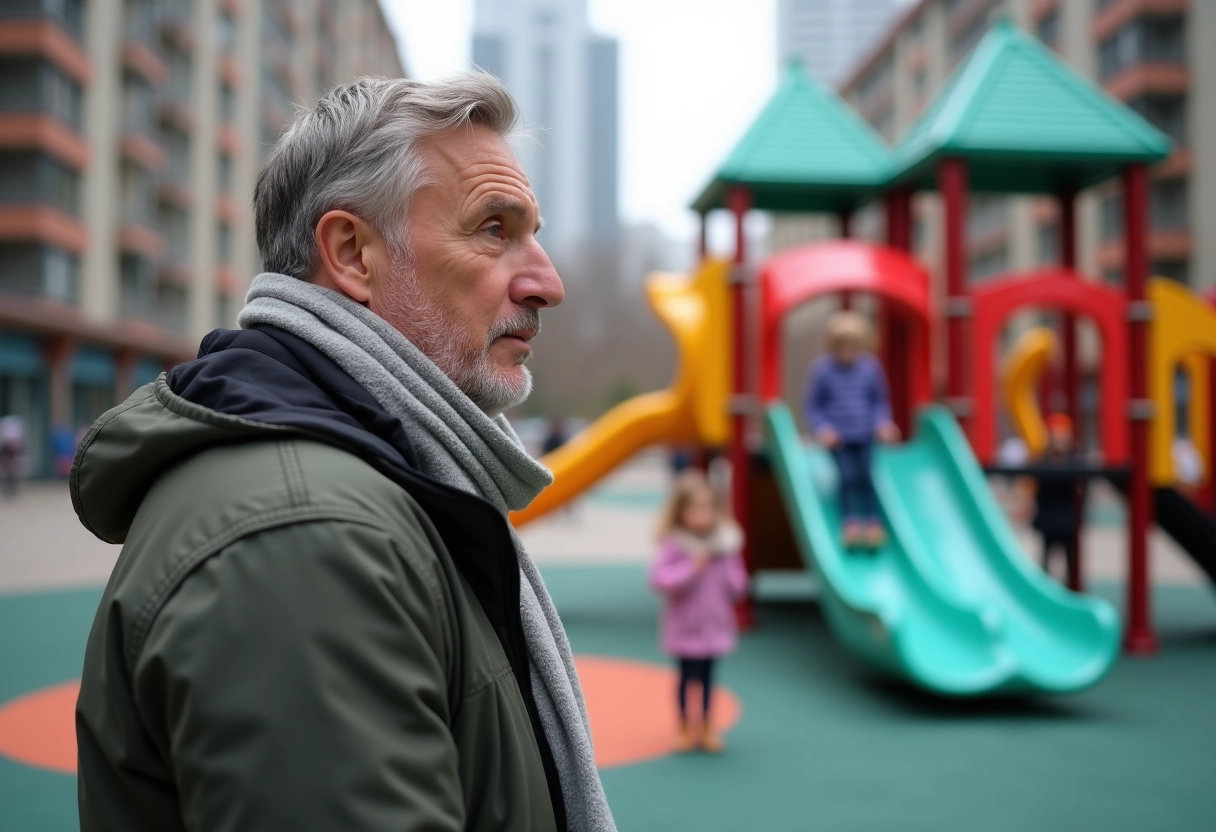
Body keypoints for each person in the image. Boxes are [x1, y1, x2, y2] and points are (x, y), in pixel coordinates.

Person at [72, 76, 615, 832]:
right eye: (494, 229)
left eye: (532, 233)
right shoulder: (307, 533)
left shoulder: (366, 484)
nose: (546, 282)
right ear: (354, 254)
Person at [649, 470, 747, 754]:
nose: (702, 515)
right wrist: (691, 568)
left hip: (714, 626)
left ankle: (705, 726)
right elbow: (660, 580)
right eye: (694, 509)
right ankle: (683, 725)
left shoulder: (725, 546)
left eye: (707, 508)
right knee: (686, 678)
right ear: (681, 513)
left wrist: (727, 571)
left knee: (707, 679)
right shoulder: (676, 544)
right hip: (686, 627)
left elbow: (739, 587)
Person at [804, 310, 900, 549]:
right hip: (839, 437)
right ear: (833, 345)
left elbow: (878, 401)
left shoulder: (870, 368)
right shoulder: (823, 370)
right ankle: (849, 523)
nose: (847, 351)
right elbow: (813, 405)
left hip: (865, 433)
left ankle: (873, 521)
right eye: (842, 346)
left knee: (867, 475)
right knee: (847, 477)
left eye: (852, 346)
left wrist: (882, 423)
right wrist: (822, 428)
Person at [1033, 413, 1084, 585]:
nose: (1059, 439)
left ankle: (1071, 588)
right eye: (1056, 435)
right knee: (1046, 560)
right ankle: (1044, 589)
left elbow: (1082, 488)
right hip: (1049, 519)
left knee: (1071, 561)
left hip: (1068, 520)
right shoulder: (1043, 460)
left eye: (1063, 435)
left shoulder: (1075, 462)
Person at [0, 414, 24, 497]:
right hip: (8, 457)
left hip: (12, 458)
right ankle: (8, 489)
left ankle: (12, 489)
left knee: (12, 473)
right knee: (8, 472)